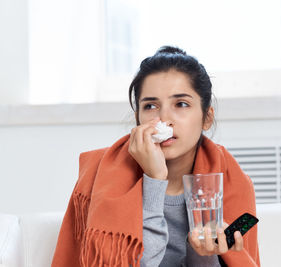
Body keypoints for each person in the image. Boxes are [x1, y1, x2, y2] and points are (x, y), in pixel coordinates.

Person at [51, 46, 259, 267]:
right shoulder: (102, 179)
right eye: (150, 106)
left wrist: (200, 252)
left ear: (206, 117)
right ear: (138, 118)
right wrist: (155, 179)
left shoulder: (232, 184)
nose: (164, 119)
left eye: (181, 104)